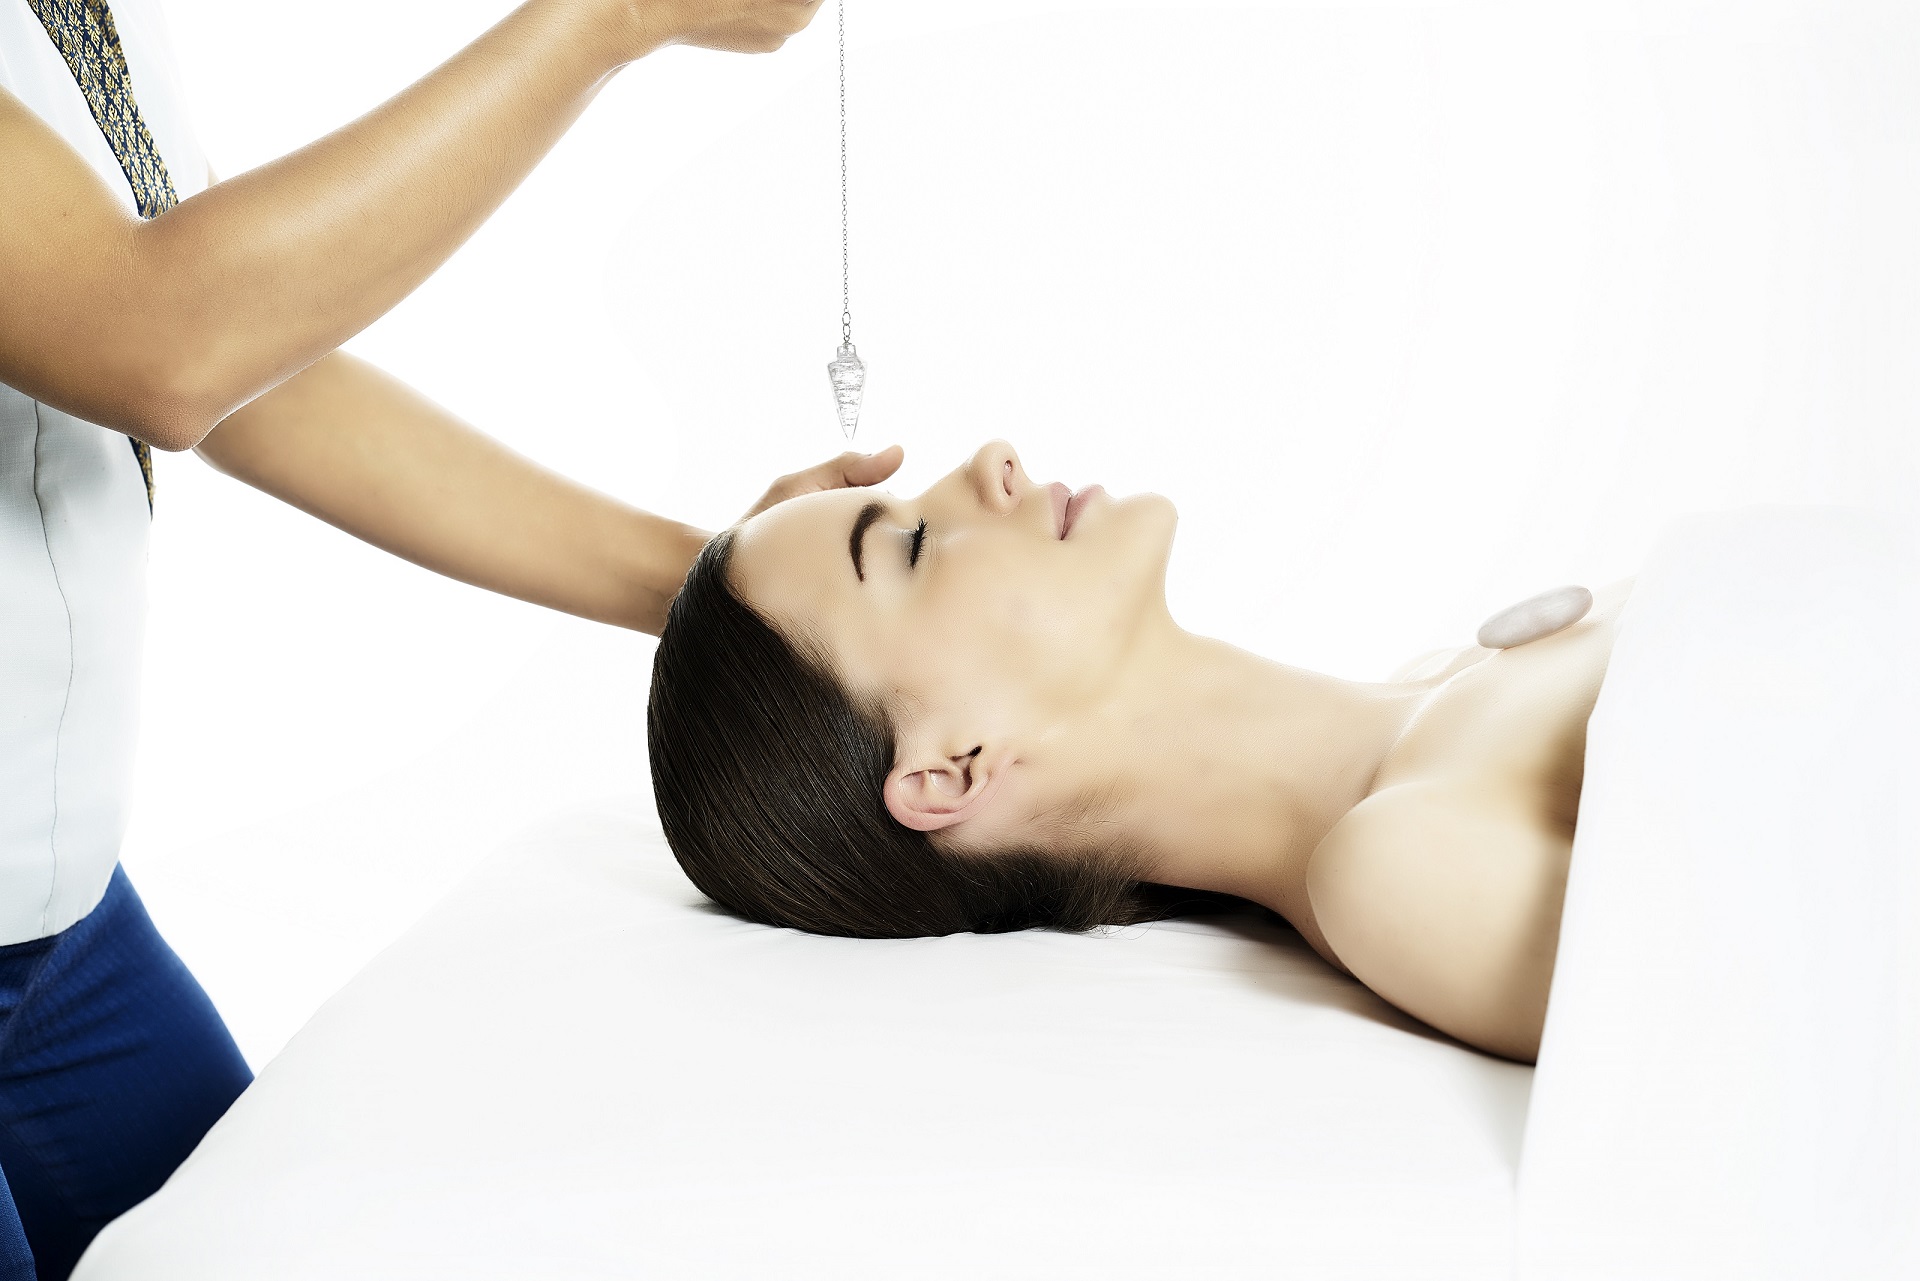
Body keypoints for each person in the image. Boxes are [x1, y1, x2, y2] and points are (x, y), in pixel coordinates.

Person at [1, 1, 895, 1277]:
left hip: (57, 915)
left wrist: (715, 584)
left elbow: (251, 369)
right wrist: (614, 18)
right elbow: (161, 339)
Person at [649, 441, 1631, 1066]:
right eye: (910, 545)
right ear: (950, 771)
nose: (992, 461)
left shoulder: (1441, 682)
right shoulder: (1398, 870)